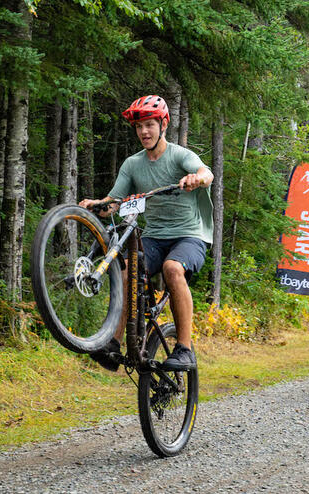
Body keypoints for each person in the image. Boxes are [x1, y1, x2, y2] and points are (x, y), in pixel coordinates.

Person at [79, 95, 214, 372]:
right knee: (126, 270)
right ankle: (113, 343)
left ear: (163, 124)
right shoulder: (132, 164)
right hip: (154, 236)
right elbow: (114, 202)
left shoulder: (179, 155)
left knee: (172, 269)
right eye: (139, 127)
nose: (144, 132)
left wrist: (197, 178)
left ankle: (185, 349)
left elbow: (206, 173)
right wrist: (95, 205)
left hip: (190, 235)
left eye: (150, 125)